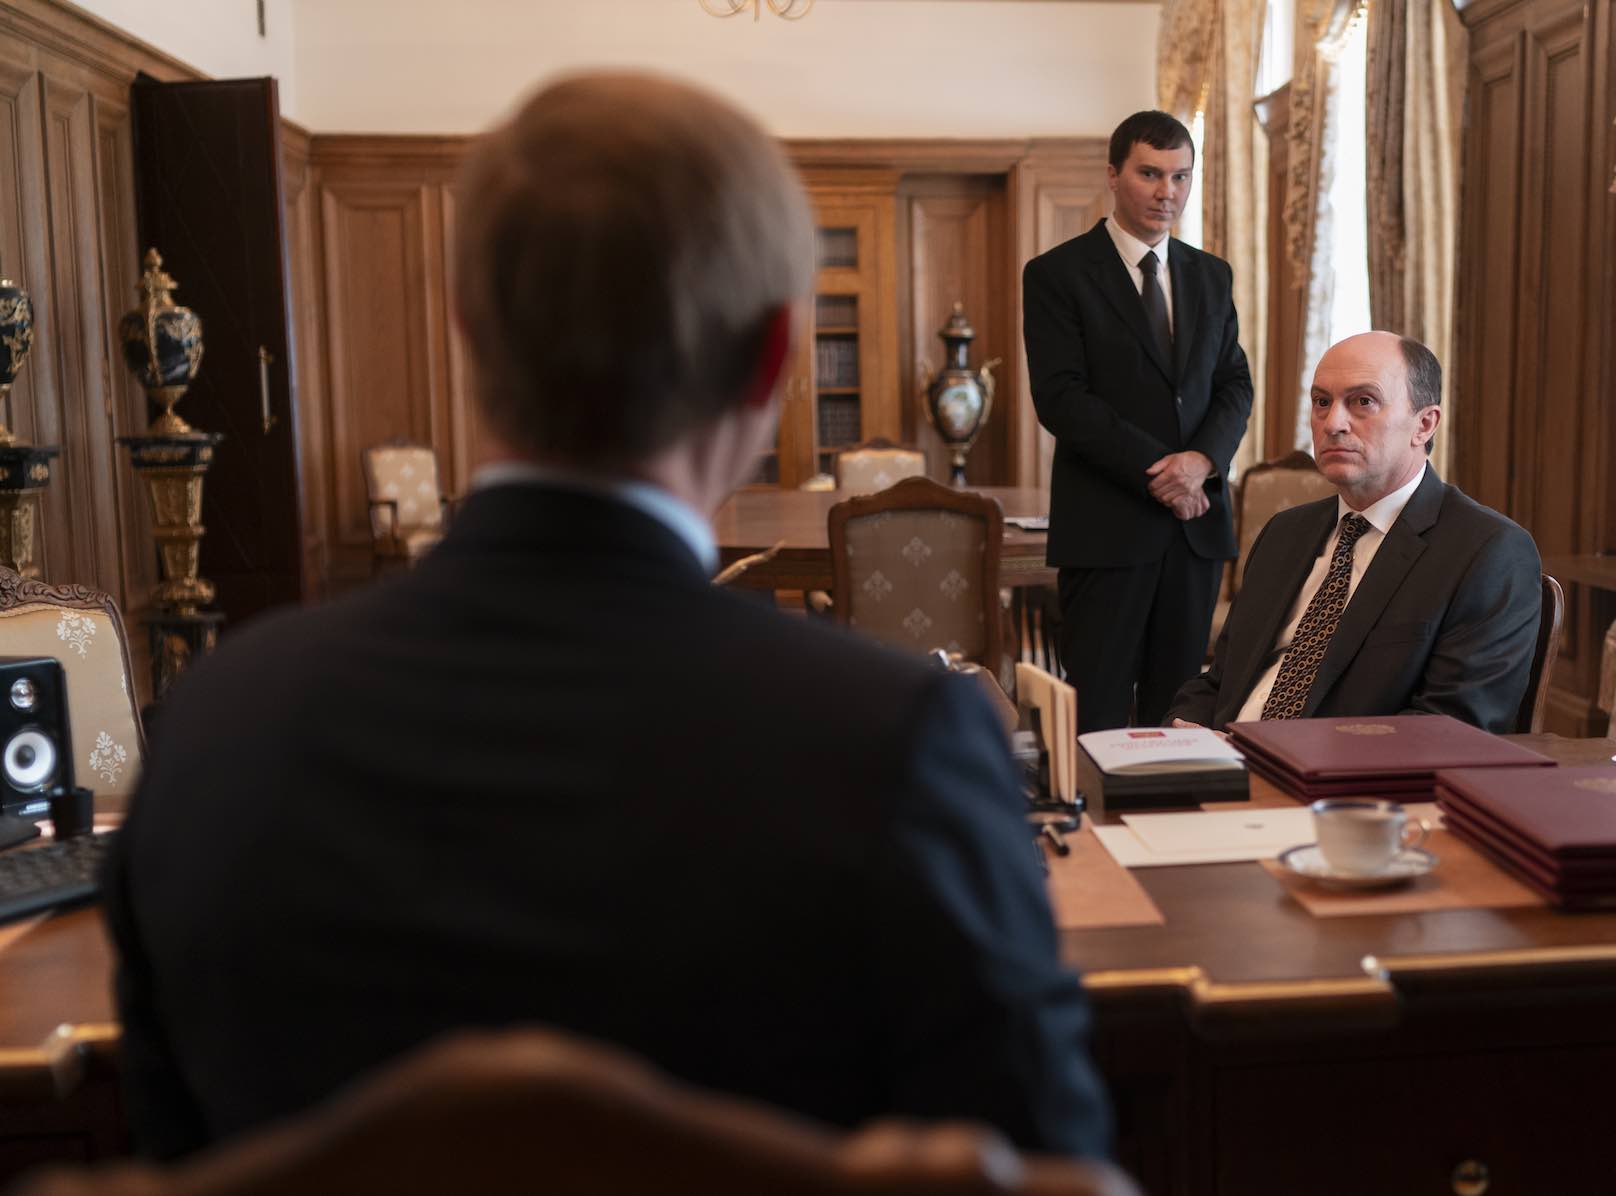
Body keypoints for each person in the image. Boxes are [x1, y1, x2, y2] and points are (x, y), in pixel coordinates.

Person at [102, 72, 1110, 1162]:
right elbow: (1049, 1168)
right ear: (773, 359)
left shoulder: (215, 727)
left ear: (468, 330)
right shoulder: (900, 745)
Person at [1165, 332, 1540, 732]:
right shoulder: (1284, 533)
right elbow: (1218, 681)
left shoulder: (1488, 551)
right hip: (1217, 759)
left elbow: (1450, 728)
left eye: (1363, 401)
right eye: (1322, 402)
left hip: (1338, 770)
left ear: (1424, 424)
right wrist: (1182, 733)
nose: (1333, 424)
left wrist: (1269, 755)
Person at [1022, 110, 1253, 732]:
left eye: (1180, 176)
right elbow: (1061, 398)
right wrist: (1163, 474)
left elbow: (1234, 383)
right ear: (1113, 175)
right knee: (1096, 714)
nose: (1166, 192)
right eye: (1150, 174)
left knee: (1178, 712)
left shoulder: (1211, 275)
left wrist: (1201, 463)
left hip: (1194, 530)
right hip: (1107, 528)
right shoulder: (1057, 274)